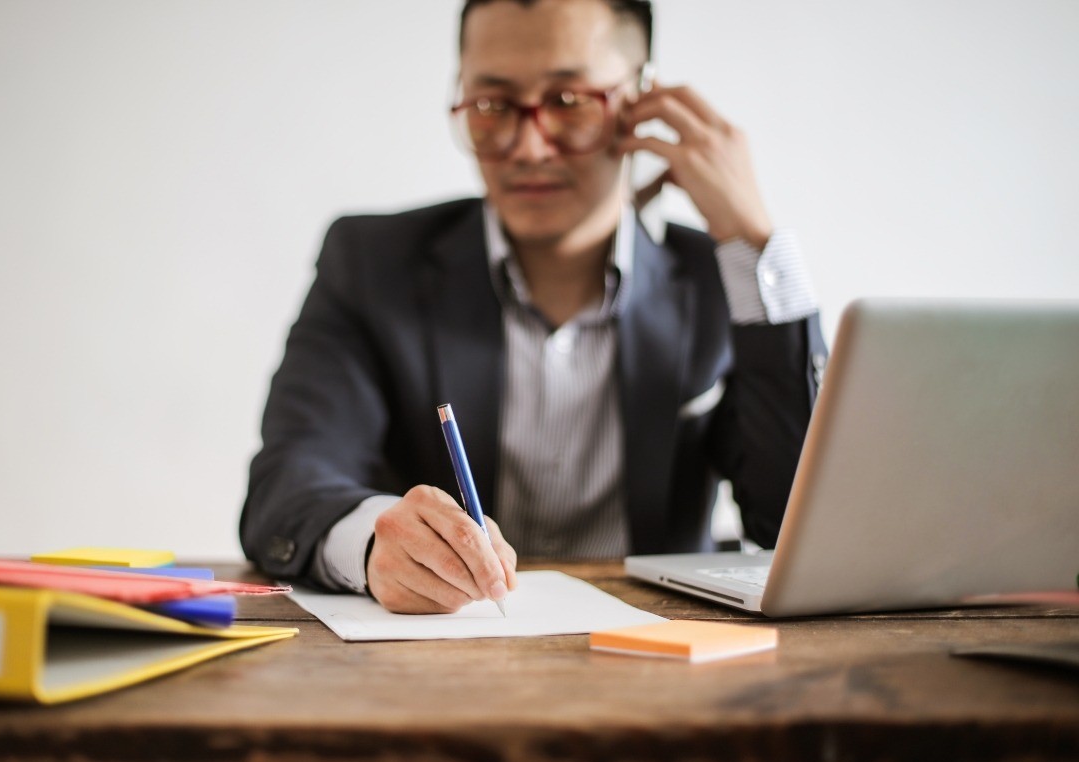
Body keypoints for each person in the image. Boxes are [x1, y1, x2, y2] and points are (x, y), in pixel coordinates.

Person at [241, 0, 827, 614]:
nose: (527, 146)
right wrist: (372, 541)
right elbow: (289, 483)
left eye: (569, 101)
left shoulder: (722, 280)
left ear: (642, 100)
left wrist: (754, 244)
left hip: (663, 659)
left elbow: (800, 523)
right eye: (492, 105)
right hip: (439, 664)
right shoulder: (371, 263)